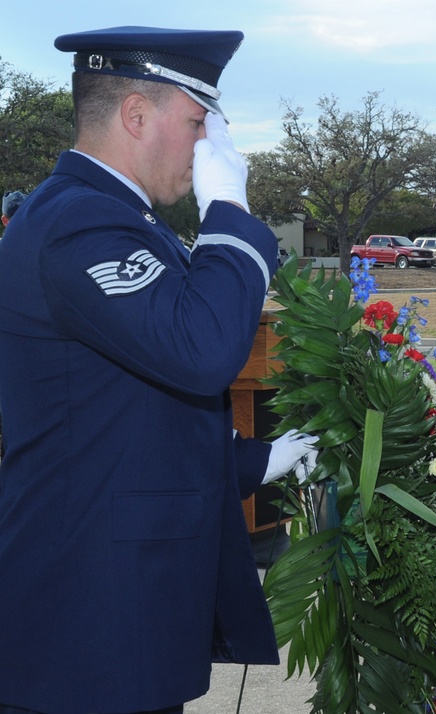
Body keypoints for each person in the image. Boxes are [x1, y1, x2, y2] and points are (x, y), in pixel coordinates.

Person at [0, 26, 317, 714]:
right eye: (200, 122)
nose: (212, 147)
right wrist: (228, 211)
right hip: (87, 625)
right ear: (137, 116)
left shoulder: (119, 220)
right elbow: (201, 352)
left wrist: (249, 463)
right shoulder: (80, 224)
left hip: (117, 615)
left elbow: (126, 409)